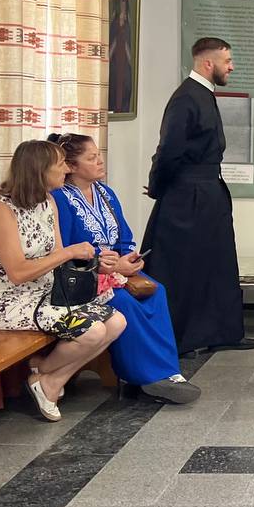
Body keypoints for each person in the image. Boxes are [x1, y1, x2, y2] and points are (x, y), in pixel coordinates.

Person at [0, 140, 126, 421]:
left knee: (116, 322)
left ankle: (48, 377)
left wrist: (96, 264)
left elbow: (57, 256)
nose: (66, 170)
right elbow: (18, 272)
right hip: (7, 300)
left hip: (44, 292)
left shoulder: (48, 200)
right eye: (61, 164)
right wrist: (70, 252)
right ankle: (47, 379)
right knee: (92, 332)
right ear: (39, 170)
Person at [49, 133, 200, 404]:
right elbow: (65, 248)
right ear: (71, 166)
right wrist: (103, 264)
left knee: (156, 291)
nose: (100, 161)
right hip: (83, 276)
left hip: (115, 270)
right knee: (122, 302)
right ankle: (143, 376)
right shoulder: (60, 198)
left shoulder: (105, 193)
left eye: (99, 155)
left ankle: (169, 371)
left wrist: (130, 259)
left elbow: (123, 236)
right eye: (91, 158)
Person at [141, 37, 254, 355]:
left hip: (207, 192)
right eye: (227, 61)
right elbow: (169, 150)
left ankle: (223, 332)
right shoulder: (186, 98)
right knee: (182, 267)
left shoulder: (203, 94)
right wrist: (157, 186)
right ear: (208, 63)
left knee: (217, 263)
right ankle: (179, 338)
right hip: (187, 196)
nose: (231, 67)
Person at [109, 0, 134, 116]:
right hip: (115, 62)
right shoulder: (113, 24)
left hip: (124, 63)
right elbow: (110, 47)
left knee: (125, 86)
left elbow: (130, 51)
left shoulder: (129, 26)